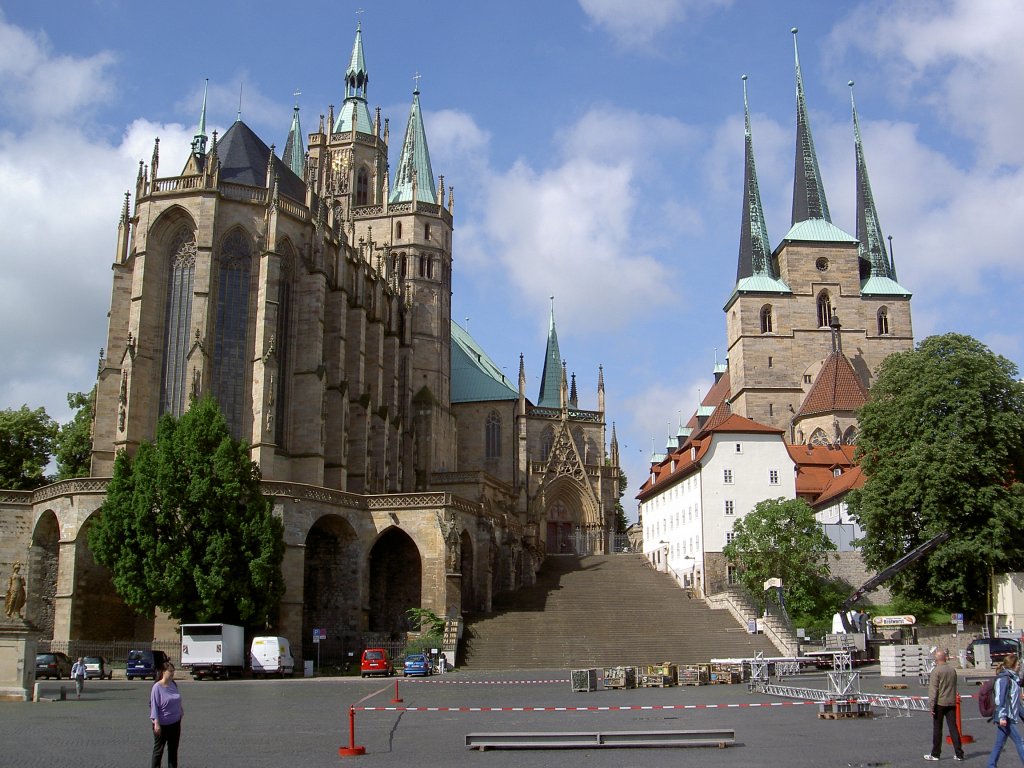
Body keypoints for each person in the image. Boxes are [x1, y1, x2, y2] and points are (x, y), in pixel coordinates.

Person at [925, 649, 965, 761]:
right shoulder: (952, 670)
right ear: (945, 658)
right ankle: (959, 753)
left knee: (938, 729)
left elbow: (933, 690)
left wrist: (931, 706)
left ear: (936, 659)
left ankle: (935, 754)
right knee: (953, 728)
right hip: (951, 702)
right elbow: (954, 686)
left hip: (940, 703)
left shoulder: (936, 671)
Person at [988, 652, 1024, 767]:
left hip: (1009, 716)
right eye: (1018, 664)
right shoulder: (1004, 679)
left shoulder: (1013, 678)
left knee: (999, 744)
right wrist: (1002, 716)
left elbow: (1015, 700)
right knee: (1020, 742)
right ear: (1013, 665)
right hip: (1006, 717)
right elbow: (1000, 699)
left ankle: (991, 765)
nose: (1020, 666)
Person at [150, 661, 183, 768]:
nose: (173, 673)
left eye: (173, 671)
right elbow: (154, 706)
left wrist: (181, 710)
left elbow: (176, 699)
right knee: (158, 751)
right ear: (164, 672)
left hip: (175, 723)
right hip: (162, 725)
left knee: (173, 750)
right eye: (170, 671)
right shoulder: (157, 687)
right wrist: (156, 723)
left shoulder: (173, 684)